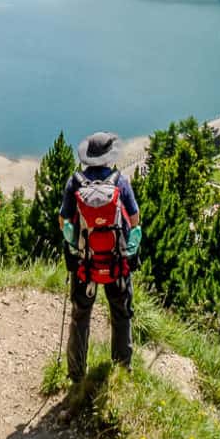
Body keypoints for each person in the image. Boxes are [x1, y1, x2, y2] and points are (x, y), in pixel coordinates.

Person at [59, 131, 141, 382]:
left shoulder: (75, 183)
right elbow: (135, 220)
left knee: (80, 316)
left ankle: (76, 374)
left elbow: (64, 221)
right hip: (117, 263)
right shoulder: (120, 182)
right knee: (121, 315)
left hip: (85, 263)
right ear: (109, 157)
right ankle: (122, 371)